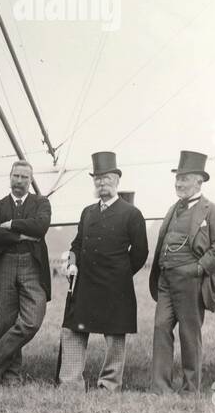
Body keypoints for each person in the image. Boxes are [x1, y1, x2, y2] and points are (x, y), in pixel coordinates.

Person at [59, 151, 149, 391]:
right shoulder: (87, 212)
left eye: (107, 178)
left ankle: (109, 384)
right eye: (97, 179)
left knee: (115, 335)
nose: (102, 183)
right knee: (73, 332)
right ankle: (70, 383)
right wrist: (72, 262)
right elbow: (77, 243)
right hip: (85, 283)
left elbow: (141, 252)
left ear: (117, 180)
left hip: (115, 285)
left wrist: (121, 273)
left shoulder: (131, 213)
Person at [149, 150, 215, 394]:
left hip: (192, 282)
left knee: (189, 334)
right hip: (166, 280)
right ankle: (160, 388)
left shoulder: (212, 211)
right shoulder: (173, 209)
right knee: (160, 328)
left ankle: (189, 390)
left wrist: (197, 269)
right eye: (177, 178)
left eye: (185, 178)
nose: (179, 183)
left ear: (199, 181)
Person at [0, 161, 51, 385]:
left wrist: (10, 224)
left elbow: (41, 227)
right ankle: (10, 376)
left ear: (31, 180)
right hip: (4, 264)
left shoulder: (42, 202)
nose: (19, 181)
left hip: (32, 264)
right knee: (6, 320)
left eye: (24, 177)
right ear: (10, 177)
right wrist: (20, 236)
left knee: (32, 320)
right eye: (16, 176)